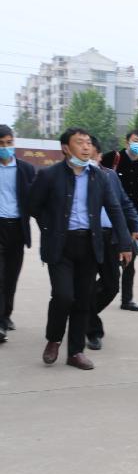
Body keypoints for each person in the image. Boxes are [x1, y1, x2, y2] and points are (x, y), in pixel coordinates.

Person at [29, 128, 133, 370]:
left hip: (89, 244)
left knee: (83, 299)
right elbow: (33, 206)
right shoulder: (49, 175)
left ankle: (75, 352)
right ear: (66, 148)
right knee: (63, 295)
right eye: (80, 142)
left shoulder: (100, 177)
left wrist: (125, 243)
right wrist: (50, 227)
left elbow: (115, 209)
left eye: (88, 143)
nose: (86, 147)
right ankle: (54, 339)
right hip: (61, 246)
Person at [85, 135, 138, 351]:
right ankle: (93, 330)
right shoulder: (75, 178)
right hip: (86, 237)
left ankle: (82, 312)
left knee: (111, 285)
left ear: (99, 155)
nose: (87, 154)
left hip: (110, 238)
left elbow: (124, 205)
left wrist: (135, 227)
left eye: (91, 152)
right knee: (85, 283)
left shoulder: (110, 176)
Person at [102, 130, 138, 312]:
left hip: (132, 222)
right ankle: (95, 293)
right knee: (109, 264)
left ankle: (127, 300)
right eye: (136, 140)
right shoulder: (112, 158)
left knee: (130, 263)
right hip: (109, 220)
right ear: (127, 142)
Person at [0, 124, 36, 341]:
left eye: (9, 143)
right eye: (1, 144)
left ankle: (6, 314)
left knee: (11, 278)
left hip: (17, 229)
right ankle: (1, 323)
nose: (6, 147)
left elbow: (36, 201)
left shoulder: (26, 169)